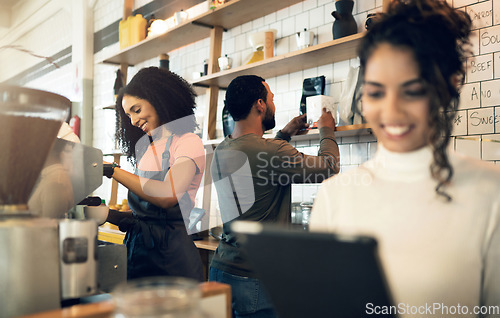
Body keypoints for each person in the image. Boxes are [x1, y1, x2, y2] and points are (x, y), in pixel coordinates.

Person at [310, 0, 500, 315]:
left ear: (447, 87)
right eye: (375, 92)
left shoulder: (490, 192)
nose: (392, 111)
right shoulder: (334, 195)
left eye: (412, 91)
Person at [209, 75, 340, 317]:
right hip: (255, 277)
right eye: (271, 98)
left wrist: (285, 133)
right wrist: (326, 129)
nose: (273, 104)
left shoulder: (223, 148)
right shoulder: (271, 152)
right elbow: (329, 167)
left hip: (221, 270)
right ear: (260, 104)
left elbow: (261, 161)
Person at [105, 67, 204, 281]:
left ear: (158, 99)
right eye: (128, 115)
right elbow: (147, 216)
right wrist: (108, 215)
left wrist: (112, 170)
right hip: (137, 255)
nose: (132, 121)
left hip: (172, 260)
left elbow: (167, 196)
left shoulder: (188, 142)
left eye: (136, 110)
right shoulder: (146, 148)